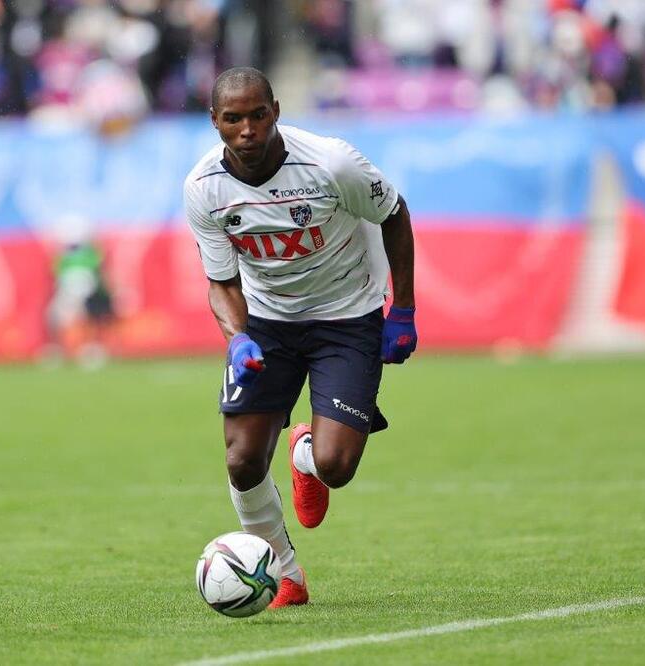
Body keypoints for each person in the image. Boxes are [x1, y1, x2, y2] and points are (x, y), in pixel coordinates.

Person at [183, 67, 417, 608]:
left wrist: (402, 310)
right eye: (233, 119)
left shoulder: (331, 163)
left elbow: (394, 213)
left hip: (347, 315)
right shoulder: (203, 188)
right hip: (267, 320)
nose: (247, 129)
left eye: (257, 115)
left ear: (276, 111)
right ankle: (286, 575)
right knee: (242, 459)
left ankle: (306, 452)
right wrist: (238, 339)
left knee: (336, 467)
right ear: (214, 121)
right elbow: (221, 282)